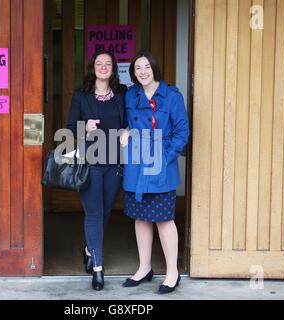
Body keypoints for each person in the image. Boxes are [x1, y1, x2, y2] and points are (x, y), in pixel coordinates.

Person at [120, 51, 189, 294]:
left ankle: (172, 272)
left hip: (161, 165)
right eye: (137, 68)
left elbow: (182, 132)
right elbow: (123, 122)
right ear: (133, 73)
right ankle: (144, 268)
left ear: (154, 68)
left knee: (163, 219)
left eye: (146, 66)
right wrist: (124, 131)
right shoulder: (130, 95)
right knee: (141, 217)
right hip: (136, 165)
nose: (142, 71)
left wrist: (165, 158)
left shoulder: (172, 96)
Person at [67, 50, 127, 291]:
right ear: (92, 68)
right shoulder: (81, 96)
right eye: (99, 63)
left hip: (114, 163)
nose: (103, 67)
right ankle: (98, 267)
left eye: (108, 63)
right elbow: (69, 130)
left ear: (113, 68)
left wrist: (128, 130)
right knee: (93, 213)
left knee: (104, 213)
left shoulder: (122, 94)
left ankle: (88, 248)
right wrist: (85, 127)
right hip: (91, 163)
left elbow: (130, 121)